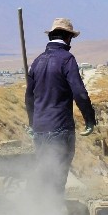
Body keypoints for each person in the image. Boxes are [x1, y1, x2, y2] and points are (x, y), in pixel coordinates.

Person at [24, 17, 96, 197]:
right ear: (67, 37)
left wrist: (32, 123)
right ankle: (52, 209)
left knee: (44, 172)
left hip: (40, 129)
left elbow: (29, 97)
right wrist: (89, 119)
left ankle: (38, 207)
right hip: (60, 128)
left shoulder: (37, 61)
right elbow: (79, 92)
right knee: (58, 174)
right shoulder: (67, 59)